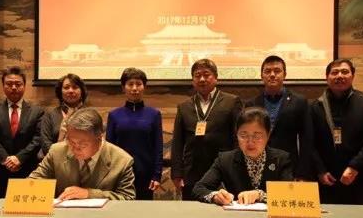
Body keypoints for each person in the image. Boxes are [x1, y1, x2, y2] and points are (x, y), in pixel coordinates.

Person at [310, 59, 363, 205]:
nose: (339, 76)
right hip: (326, 179)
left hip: (359, 176)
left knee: (358, 217)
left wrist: (355, 167)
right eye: (335, 72)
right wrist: (320, 170)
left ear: (353, 76)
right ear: (327, 77)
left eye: (344, 72)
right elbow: (309, 142)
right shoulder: (315, 107)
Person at [171, 58, 244, 200]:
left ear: (216, 78)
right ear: (193, 80)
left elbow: (238, 137)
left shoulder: (232, 102)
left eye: (206, 75)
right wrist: (176, 173)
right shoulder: (184, 106)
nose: (202, 79)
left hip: (223, 170)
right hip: (192, 171)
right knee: (192, 211)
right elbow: (178, 142)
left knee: (224, 208)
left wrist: (237, 167)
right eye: (197, 76)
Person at [29, 107, 136, 201]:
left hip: (102, 217)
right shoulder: (57, 151)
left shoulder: (122, 161)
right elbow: (33, 182)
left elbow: (128, 198)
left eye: (83, 144)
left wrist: (89, 194)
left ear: (99, 137)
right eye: (71, 142)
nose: (75, 148)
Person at [193, 107, 293, 205]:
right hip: (236, 214)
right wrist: (215, 196)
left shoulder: (281, 159)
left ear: (268, 135)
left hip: (270, 215)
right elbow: (199, 188)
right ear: (236, 134)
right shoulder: (225, 159)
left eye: (257, 136)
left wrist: (260, 195)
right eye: (243, 135)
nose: (250, 142)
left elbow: (290, 194)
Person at [246, 55, 314, 180]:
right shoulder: (251, 104)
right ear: (261, 76)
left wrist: (302, 173)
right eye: (267, 71)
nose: (272, 75)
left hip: (289, 166)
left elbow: (307, 140)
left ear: (285, 74)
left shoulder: (299, 102)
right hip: (258, 165)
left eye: (277, 71)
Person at [0, 66, 45, 198]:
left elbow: (38, 138)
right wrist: (6, 159)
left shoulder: (37, 112)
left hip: (27, 169)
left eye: (18, 84)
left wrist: (19, 158)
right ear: (3, 86)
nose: (13, 87)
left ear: (24, 86)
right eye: (9, 84)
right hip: (0, 171)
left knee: (27, 208)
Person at [106, 67, 163, 200]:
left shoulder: (154, 114)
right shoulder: (114, 115)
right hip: (120, 173)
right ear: (123, 88)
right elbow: (109, 148)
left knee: (144, 210)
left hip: (146, 173)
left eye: (138, 84)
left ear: (144, 87)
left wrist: (157, 175)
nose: (134, 88)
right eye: (130, 84)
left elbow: (158, 147)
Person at [40, 73, 87, 157]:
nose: (71, 91)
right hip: (56, 161)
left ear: (82, 92)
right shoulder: (50, 115)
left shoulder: (90, 115)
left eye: (75, 87)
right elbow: (45, 146)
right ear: (60, 92)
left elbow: (97, 144)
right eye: (66, 87)